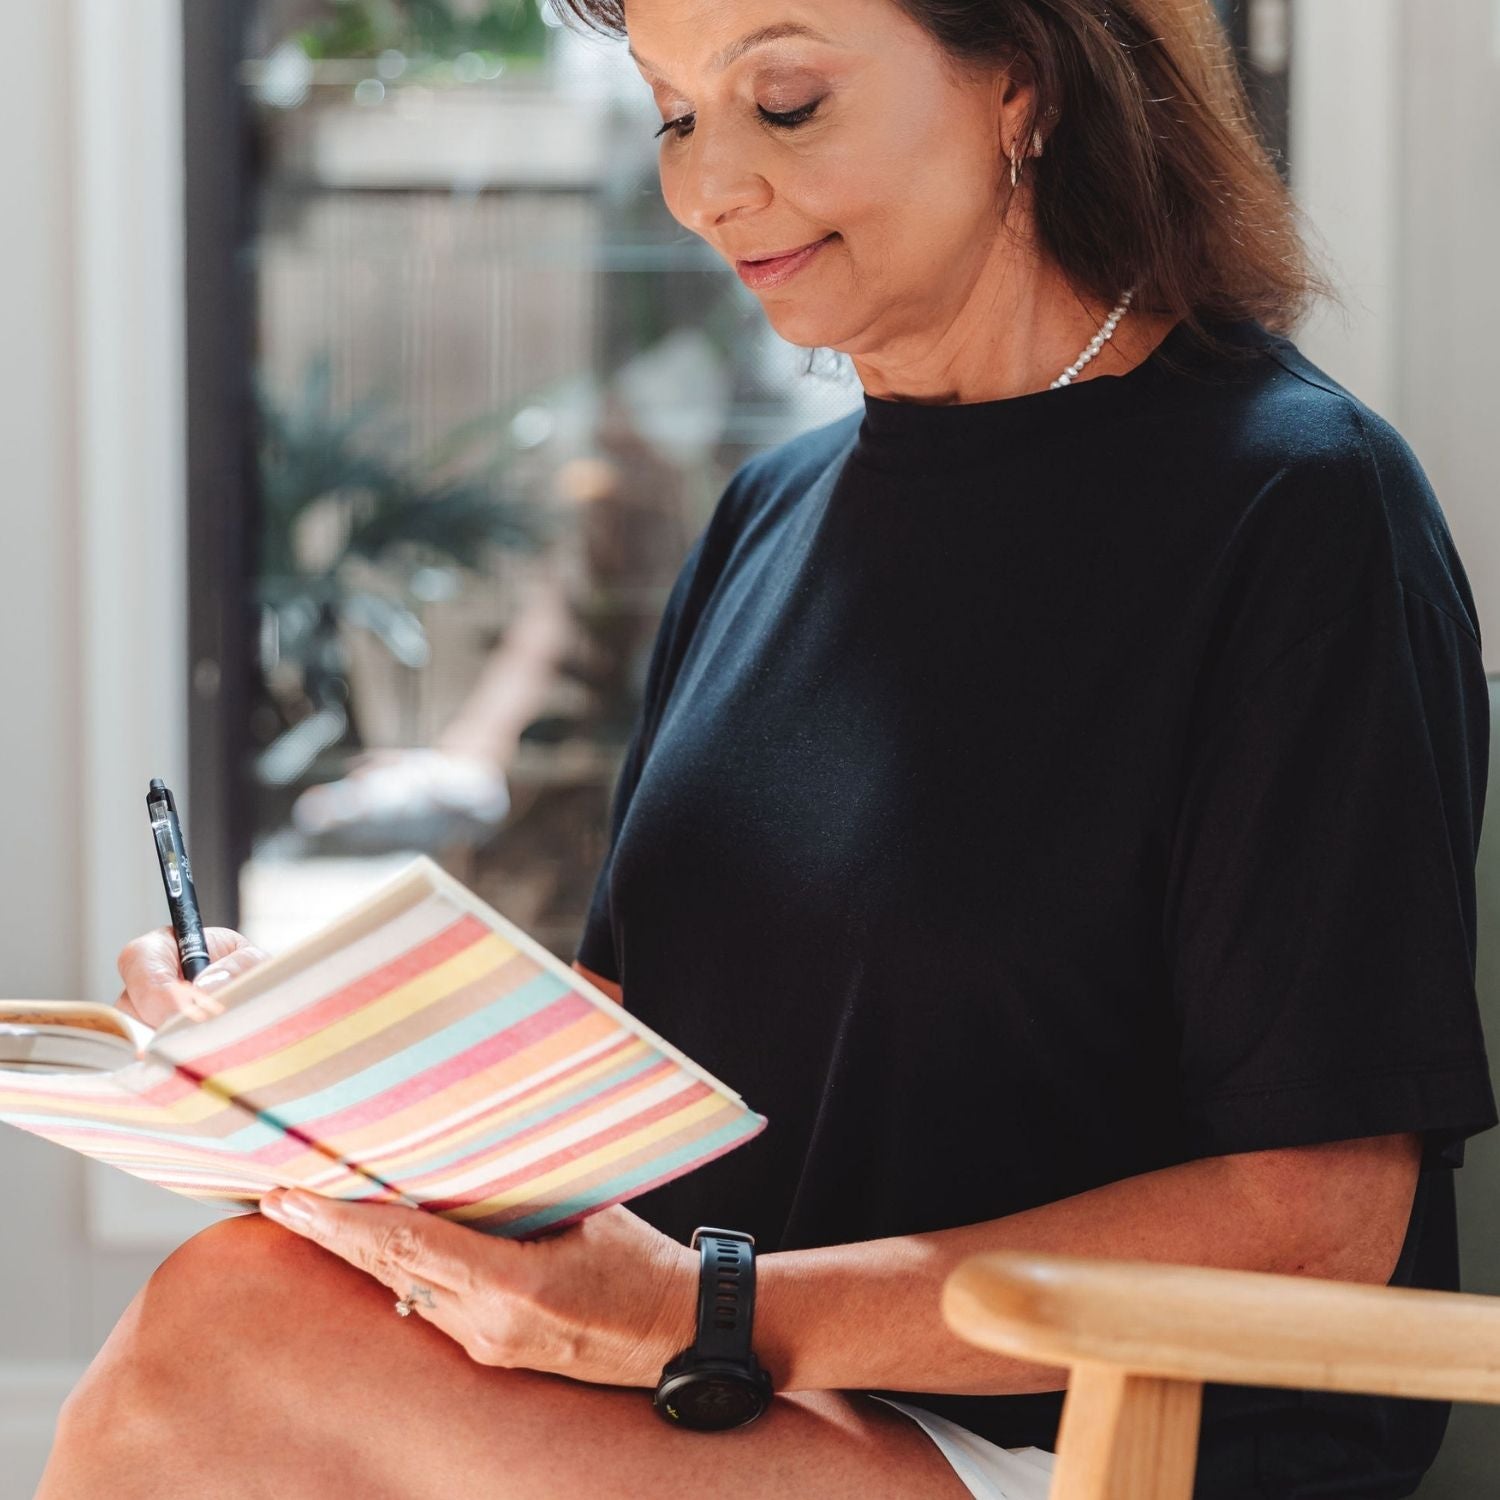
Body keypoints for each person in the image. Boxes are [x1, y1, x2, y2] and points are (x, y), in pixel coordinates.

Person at [39, 1, 1496, 1497]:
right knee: (236, 1306)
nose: (706, 187)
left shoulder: (1301, 513)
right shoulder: (771, 517)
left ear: (1025, 89)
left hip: (1093, 1445)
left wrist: (710, 1313)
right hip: (758, 1390)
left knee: (211, 1361)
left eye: (784, 101)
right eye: (674, 114)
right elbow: (635, 1036)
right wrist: (306, 1069)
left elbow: (1318, 1219)